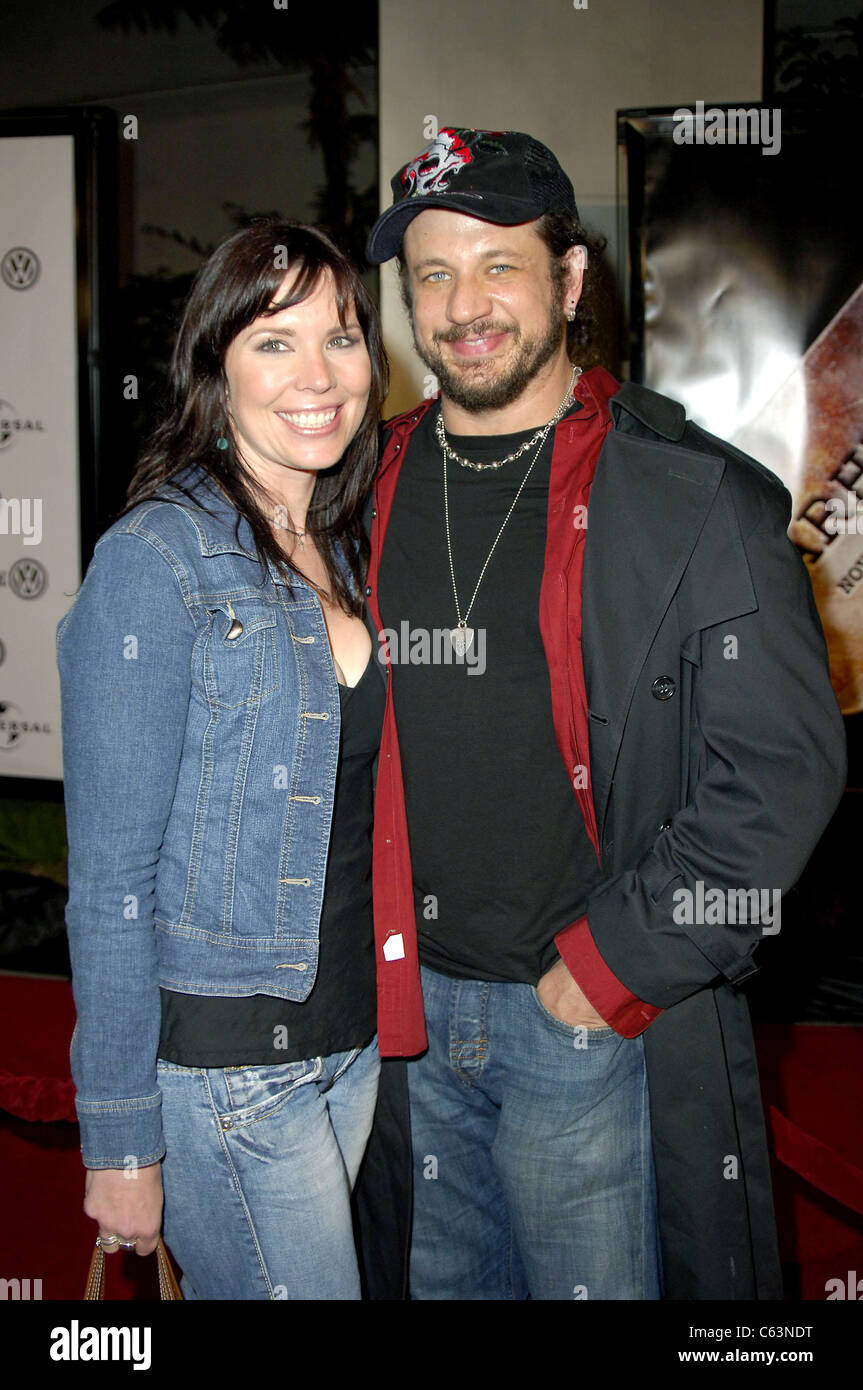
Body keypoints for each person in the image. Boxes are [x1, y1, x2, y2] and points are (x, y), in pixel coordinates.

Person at [353, 127, 847, 1300]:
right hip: (398, 1029)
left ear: (568, 281)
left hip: (583, 1026)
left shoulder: (695, 498)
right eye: (431, 273)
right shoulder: (352, 487)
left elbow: (777, 777)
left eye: (497, 265)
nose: (462, 305)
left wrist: (603, 966)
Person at [57, 221, 389, 1300]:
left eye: (340, 338)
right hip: (230, 1073)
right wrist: (118, 1139)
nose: (317, 374)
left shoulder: (346, 542)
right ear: (214, 366)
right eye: (272, 341)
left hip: (351, 1041)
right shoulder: (152, 560)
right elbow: (108, 881)